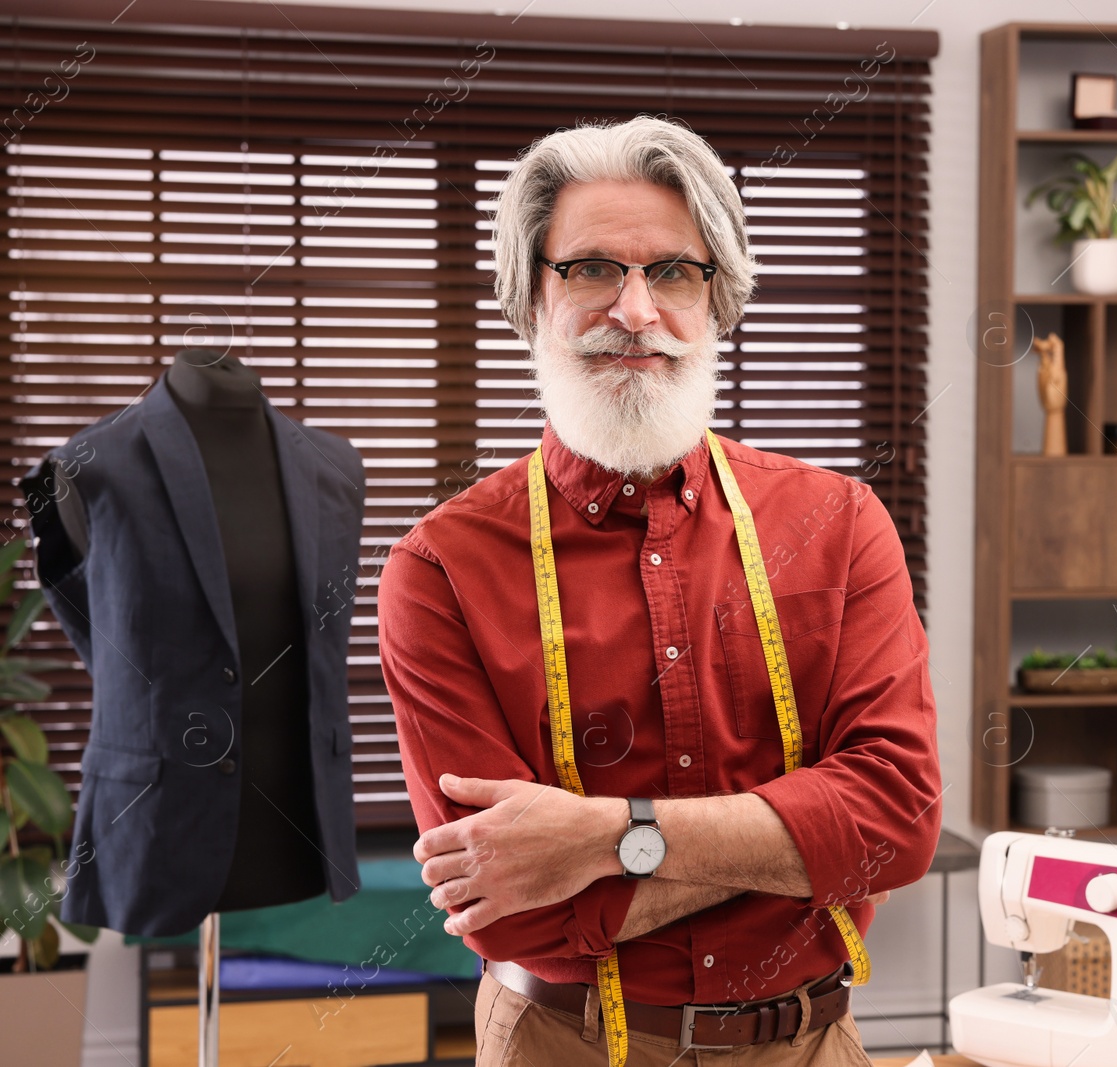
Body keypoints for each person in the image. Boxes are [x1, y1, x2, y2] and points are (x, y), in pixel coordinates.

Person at [377, 115, 942, 1066]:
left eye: (674, 271)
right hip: (563, 1042)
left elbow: (897, 822)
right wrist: (794, 845)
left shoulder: (841, 524)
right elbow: (514, 914)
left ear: (718, 301)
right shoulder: (439, 571)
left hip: (812, 1043)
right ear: (531, 300)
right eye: (591, 268)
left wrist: (604, 835)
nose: (635, 311)